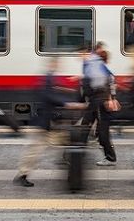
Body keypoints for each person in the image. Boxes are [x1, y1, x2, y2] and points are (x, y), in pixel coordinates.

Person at [14, 58, 86, 187]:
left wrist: (65, 92)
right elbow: (48, 96)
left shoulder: (50, 78)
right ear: (52, 64)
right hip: (43, 122)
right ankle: (22, 175)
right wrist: (67, 103)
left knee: (66, 141)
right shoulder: (47, 78)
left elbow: (53, 93)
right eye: (57, 63)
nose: (59, 66)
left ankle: (70, 165)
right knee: (35, 149)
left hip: (49, 122)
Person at [83, 45, 118, 166]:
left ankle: (110, 157)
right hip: (97, 102)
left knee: (101, 131)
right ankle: (77, 152)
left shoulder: (98, 67)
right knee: (86, 127)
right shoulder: (100, 67)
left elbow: (108, 83)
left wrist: (110, 99)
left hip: (99, 103)